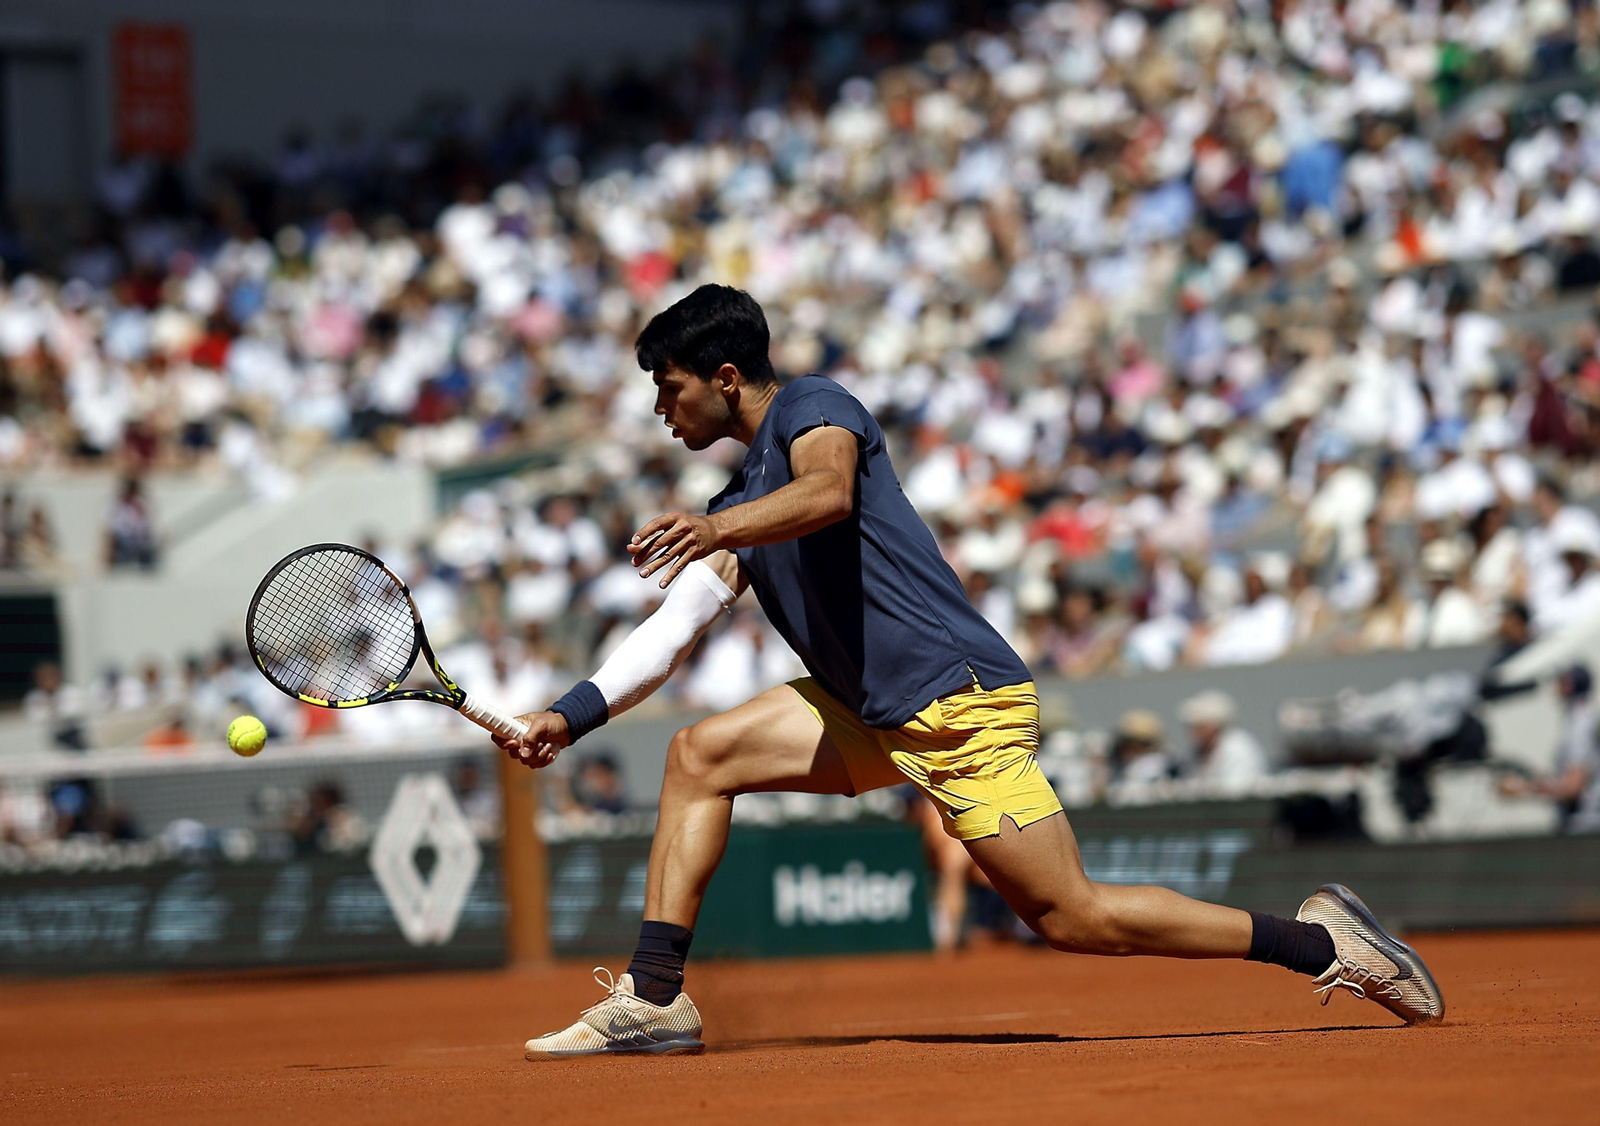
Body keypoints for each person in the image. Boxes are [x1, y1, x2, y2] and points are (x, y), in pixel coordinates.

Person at [495, 286, 1443, 1060]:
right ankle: (656, 997)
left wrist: (716, 528)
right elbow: (673, 629)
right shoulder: (736, 501)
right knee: (701, 755)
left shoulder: (815, 410)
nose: (662, 410)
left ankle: (1327, 945)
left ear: (726, 377)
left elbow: (825, 495)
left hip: (957, 703)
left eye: (669, 389)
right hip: (872, 709)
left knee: (1074, 918)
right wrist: (567, 716)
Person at [1499, 664, 1600, 833]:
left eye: (1561, 681)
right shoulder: (1578, 719)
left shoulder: (1580, 724)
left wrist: (1522, 788)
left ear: (1571, 684)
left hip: (1586, 826)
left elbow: (1573, 787)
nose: (1556, 687)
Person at [1178, 690, 1269, 796]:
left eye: (1198, 725)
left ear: (1214, 725)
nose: (1192, 731)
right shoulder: (1194, 753)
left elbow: (1237, 790)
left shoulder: (1239, 747)